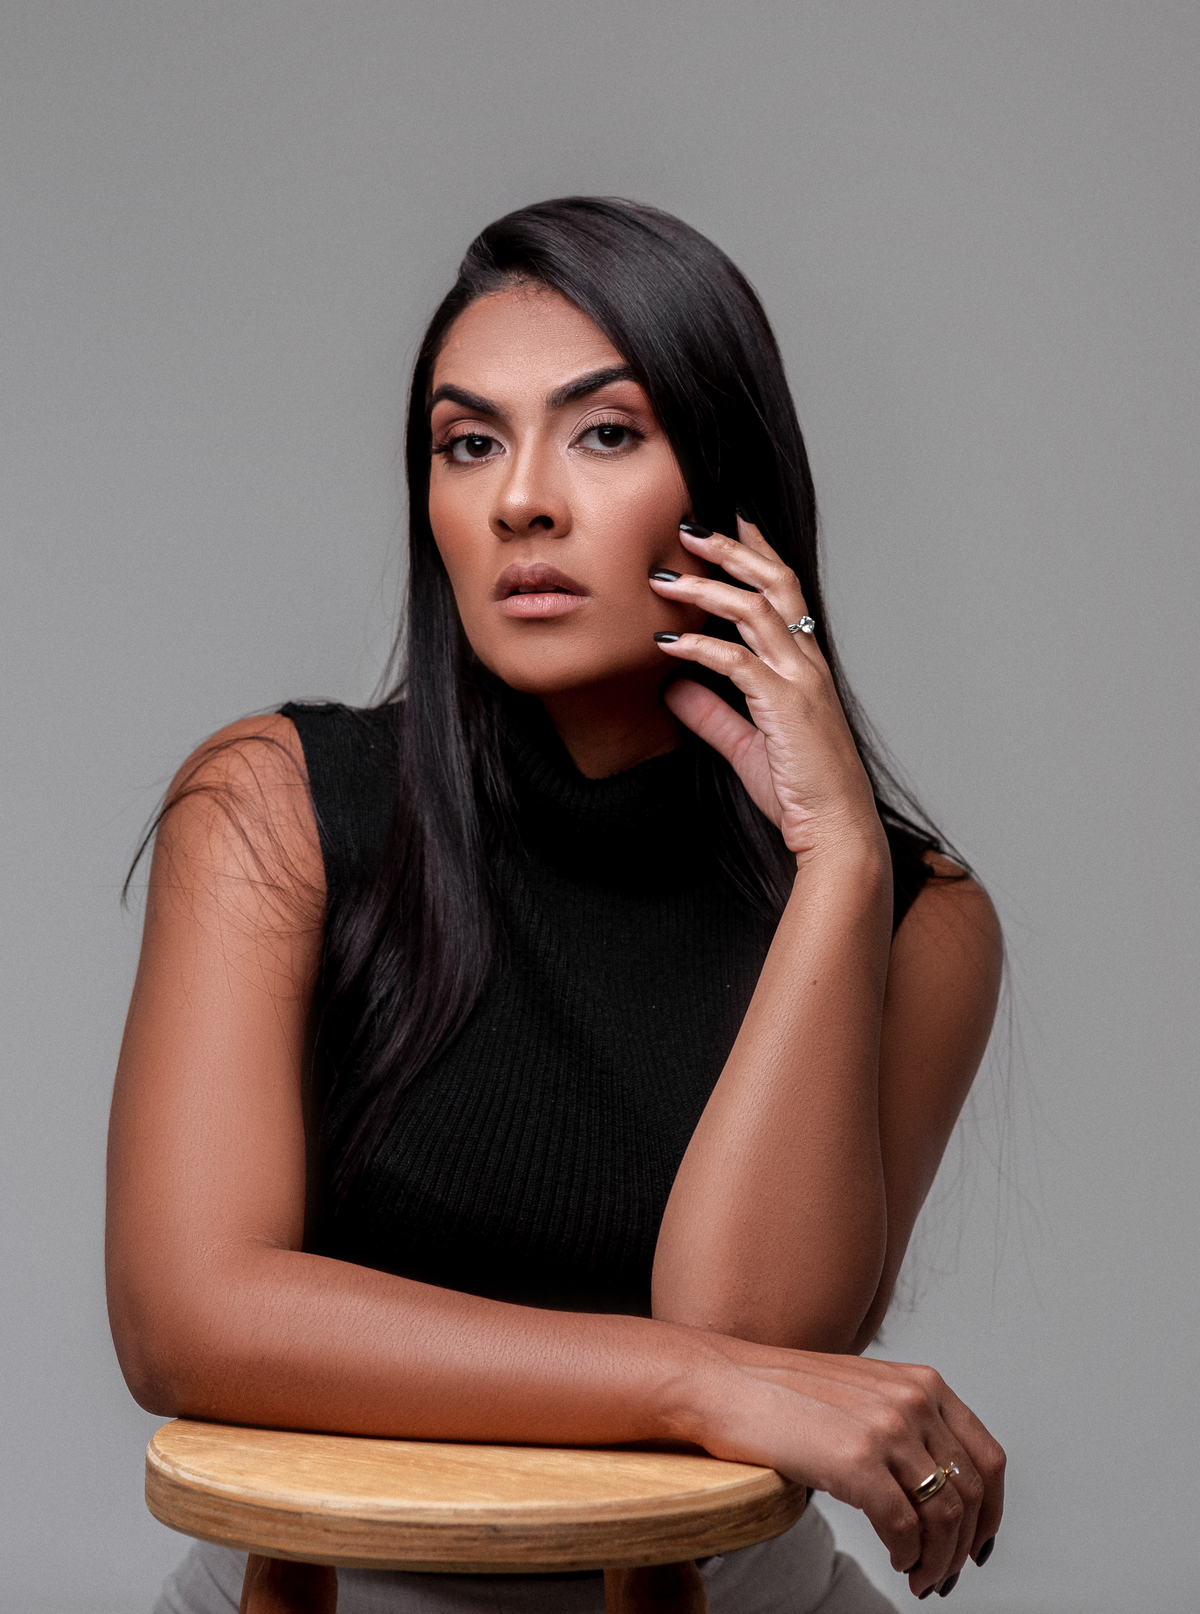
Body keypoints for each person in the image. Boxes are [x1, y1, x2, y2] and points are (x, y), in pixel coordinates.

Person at [107, 198, 1005, 1613]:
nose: (521, 499)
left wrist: (836, 864)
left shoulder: (916, 918)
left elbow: (757, 1336)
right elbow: (187, 1316)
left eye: (604, 432)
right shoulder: (271, 804)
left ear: (729, 488)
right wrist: (689, 1381)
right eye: (469, 443)